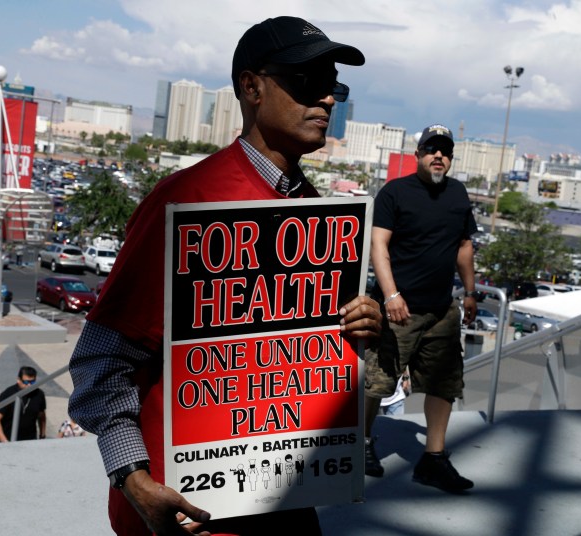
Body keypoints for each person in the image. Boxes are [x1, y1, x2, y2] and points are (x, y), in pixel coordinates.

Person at [69, 16, 378, 536]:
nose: (327, 100)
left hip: (286, 499)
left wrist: (362, 326)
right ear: (251, 87)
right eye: (309, 83)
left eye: (335, 87)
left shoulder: (318, 214)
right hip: (187, 514)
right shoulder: (186, 203)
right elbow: (102, 360)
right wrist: (133, 478)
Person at [364, 124, 478, 493]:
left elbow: (464, 247)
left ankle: (433, 459)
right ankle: (362, 443)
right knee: (378, 383)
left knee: (444, 384)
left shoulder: (459, 194)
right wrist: (392, 296)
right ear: (418, 154)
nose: (438, 156)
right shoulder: (395, 193)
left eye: (444, 150)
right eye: (431, 149)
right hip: (401, 309)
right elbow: (378, 246)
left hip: (442, 308)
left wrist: (471, 292)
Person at [0, 366, 46, 442]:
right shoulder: (8, 394)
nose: (29, 385)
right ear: (18, 380)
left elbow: (41, 416)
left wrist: (42, 435)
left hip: (29, 440)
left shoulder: (39, 394)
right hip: (8, 440)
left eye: (32, 382)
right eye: (26, 382)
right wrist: (4, 441)